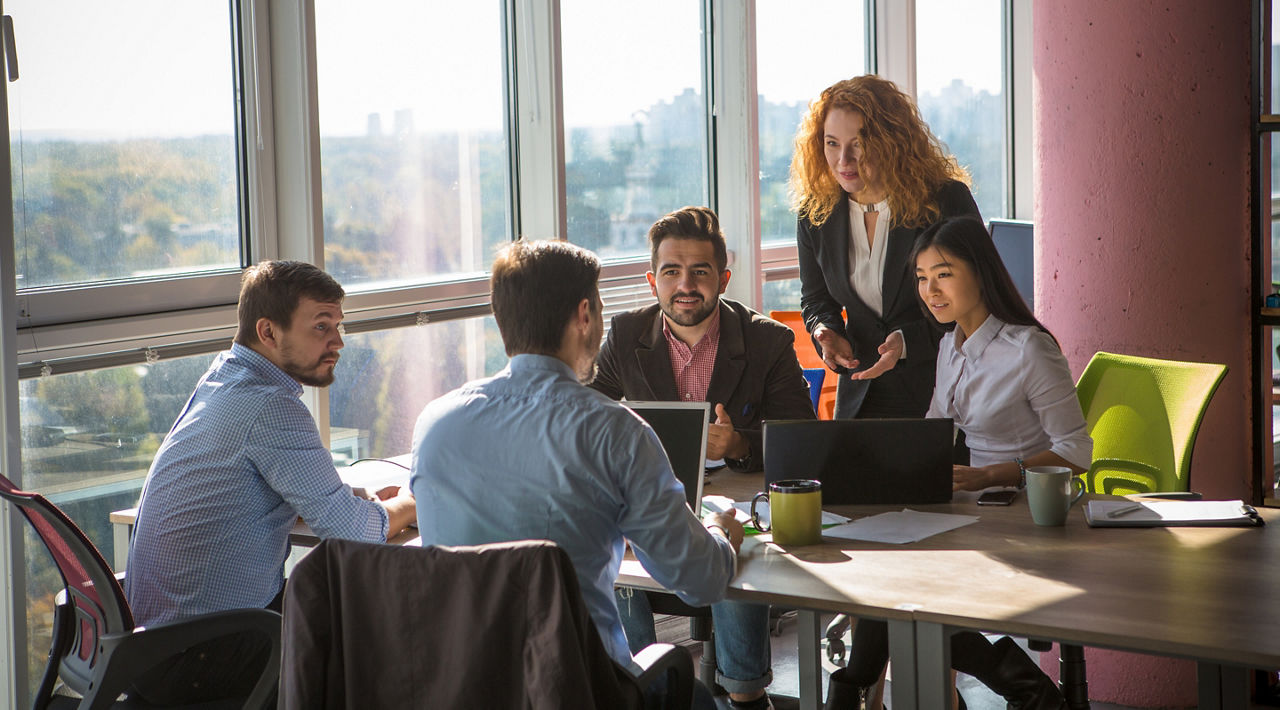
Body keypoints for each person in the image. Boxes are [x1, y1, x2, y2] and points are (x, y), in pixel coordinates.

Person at [412, 239, 742, 710]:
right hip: (579, 690)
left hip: (459, 685)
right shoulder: (615, 430)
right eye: (602, 309)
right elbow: (701, 580)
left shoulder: (435, 422)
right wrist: (719, 531)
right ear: (584, 315)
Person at [825, 216, 1090, 710]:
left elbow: (1076, 451)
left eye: (943, 273)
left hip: (1028, 512)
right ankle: (1023, 689)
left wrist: (992, 473)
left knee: (908, 598)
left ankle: (852, 689)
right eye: (922, 278)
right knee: (887, 580)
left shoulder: (1030, 349)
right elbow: (935, 431)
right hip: (975, 506)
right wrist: (875, 466)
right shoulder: (951, 344)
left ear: (981, 272)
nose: (930, 290)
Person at [125, 260, 416, 701]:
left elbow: (260, 479)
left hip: (151, 645)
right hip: (200, 657)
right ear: (269, 332)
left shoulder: (223, 381)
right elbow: (353, 532)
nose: (338, 341)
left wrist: (344, 495)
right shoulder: (269, 406)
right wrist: (414, 503)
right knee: (379, 632)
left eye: (338, 325)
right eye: (321, 326)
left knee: (337, 604)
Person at [591, 206, 816, 710]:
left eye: (700, 271)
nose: (685, 284)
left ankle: (745, 692)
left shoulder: (766, 340)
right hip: (653, 496)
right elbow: (587, 417)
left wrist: (738, 446)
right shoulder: (626, 335)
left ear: (724, 278)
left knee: (731, 540)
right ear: (653, 280)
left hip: (735, 499)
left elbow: (802, 439)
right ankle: (637, 684)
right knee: (609, 538)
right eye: (671, 271)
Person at [791, 74, 981, 420]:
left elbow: (975, 300)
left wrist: (905, 342)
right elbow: (817, 299)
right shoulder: (814, 215)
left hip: (943, 389)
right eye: (832, 143)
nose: (844, 160)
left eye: (859, 143)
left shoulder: (944, 201)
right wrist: (826, 331)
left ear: (893, 141)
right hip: (860, 394)